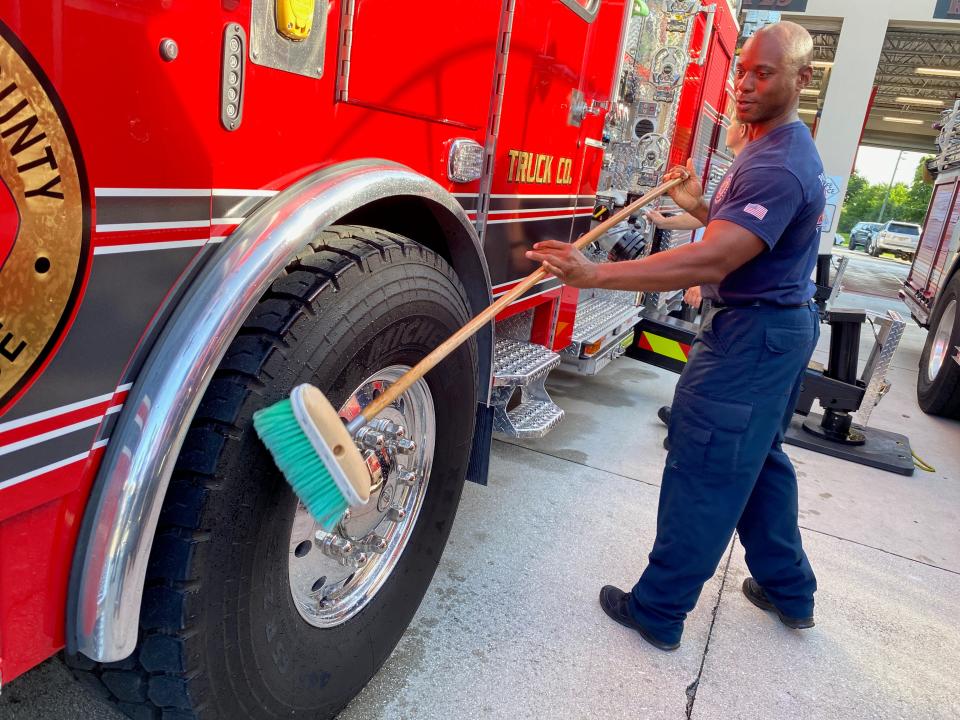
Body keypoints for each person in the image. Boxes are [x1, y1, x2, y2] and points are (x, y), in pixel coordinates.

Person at [525, 21, 824, 651]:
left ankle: (659, 611)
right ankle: (790, 591)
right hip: (774, 330)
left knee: (709, 463)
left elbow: (715, 261)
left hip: (752, 336)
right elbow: (743, 234)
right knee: (757, 462)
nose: (743, 84)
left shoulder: (781, 162)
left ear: (802, 79)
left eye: (763, 73)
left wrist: (594, 271)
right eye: (741, 69)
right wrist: (696, 206)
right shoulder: (770, 146)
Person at [648, 114, 751, 426]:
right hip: (726, 291)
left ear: (743, 130)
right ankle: (686, 415)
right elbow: (710, 217)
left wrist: (699, 281)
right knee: (704, 357)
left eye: (732, 123)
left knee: (708, 361)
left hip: (730, 293)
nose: (726, 127)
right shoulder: (738, 170)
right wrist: (667, 221)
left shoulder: (749, 173)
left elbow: (731, 241)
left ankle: (688, 419)